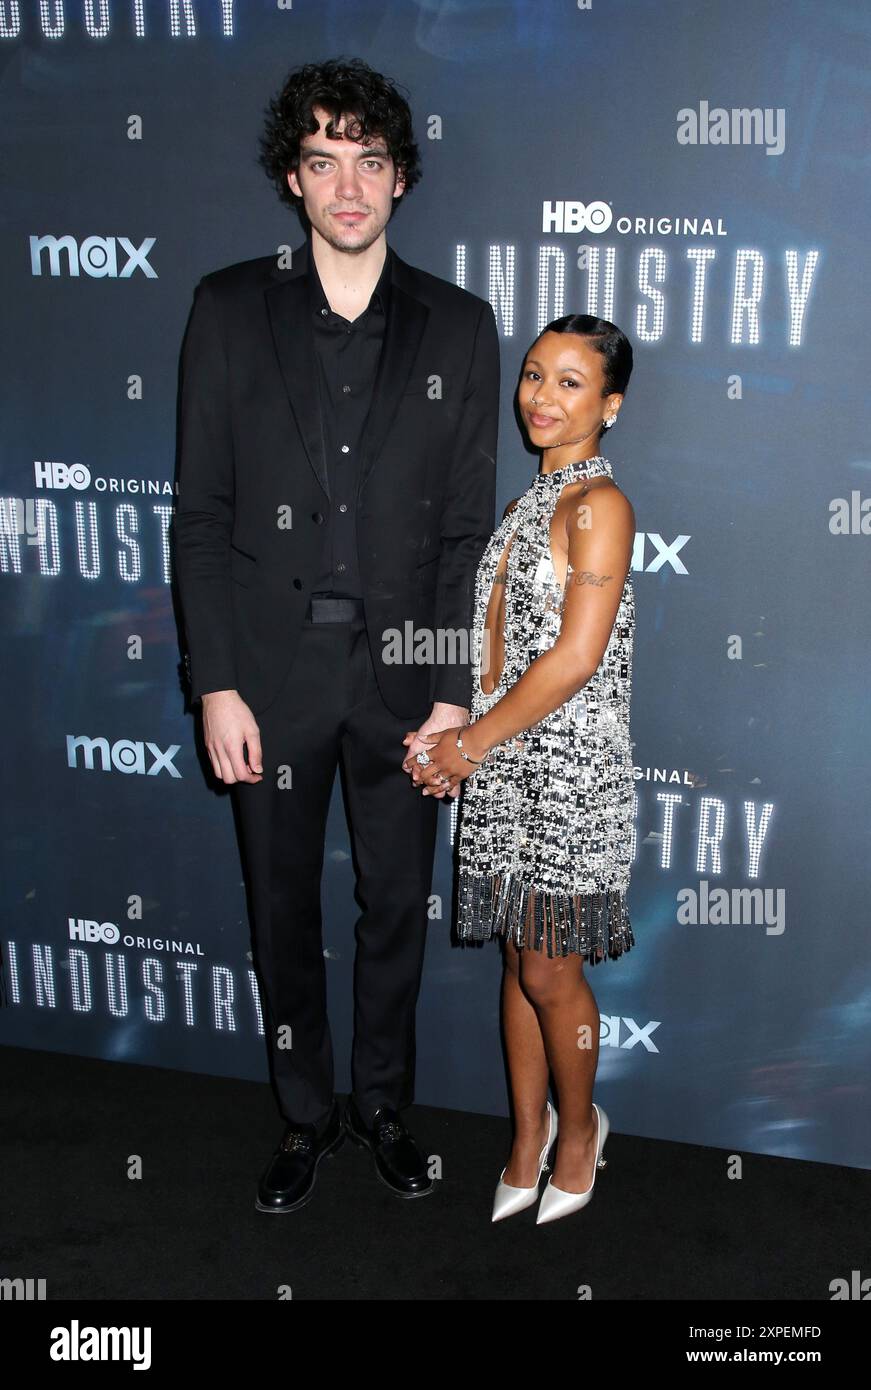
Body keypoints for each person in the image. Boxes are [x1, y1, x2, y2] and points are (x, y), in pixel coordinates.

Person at [173, 57, 499, 1213]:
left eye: (369, 160)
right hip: (267, 681)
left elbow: (466, 530)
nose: (347, 184)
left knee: (392, 909)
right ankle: (304, 1116)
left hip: (409, 685)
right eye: (323, 160)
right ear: (292, 179)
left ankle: (384, 1108)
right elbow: (201, 518)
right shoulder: (225, 308)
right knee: (281, 908)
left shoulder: (460, 324)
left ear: (400, 178)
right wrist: (215, 683)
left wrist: (455, 690)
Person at [409, 315, 635, 1224]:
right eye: (535, 375)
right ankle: (524, 1135)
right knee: (516, 959)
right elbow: (499, 648)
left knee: (549, 973)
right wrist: (447, 731)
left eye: (571, 383)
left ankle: (580, 1133)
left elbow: (575, 657)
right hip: (503, 758)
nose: (542, 396)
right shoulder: (525, 505)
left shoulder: (601, 508)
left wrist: (469, 744)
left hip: (569, 773)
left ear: (609, 406)